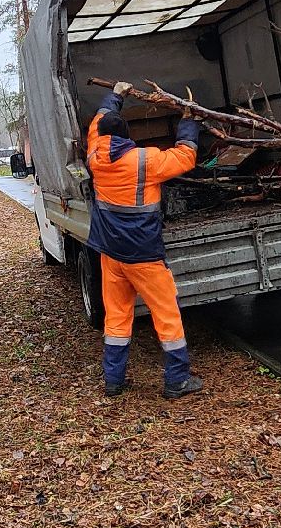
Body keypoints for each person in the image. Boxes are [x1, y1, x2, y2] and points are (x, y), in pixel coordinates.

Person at [86, 81, 205, 399]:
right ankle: (177, 380)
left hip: (112, 255)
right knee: (166, 314)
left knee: (117, 316)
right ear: (126, 135)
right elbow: (185, 157)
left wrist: (115, 95)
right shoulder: (144, 161)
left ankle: (113, 380)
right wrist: (189, 122)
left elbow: (98, 122)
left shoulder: (94, 157)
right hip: (145, 255)